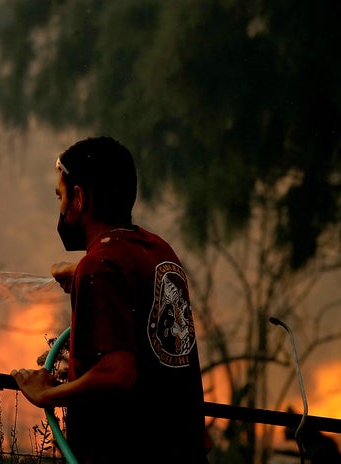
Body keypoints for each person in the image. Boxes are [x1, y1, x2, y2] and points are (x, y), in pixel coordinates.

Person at [11, 136, 209, 463]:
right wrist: (83, 275)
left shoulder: (100, 268)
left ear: (79, 198)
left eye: (61, 196)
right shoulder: (157, 250)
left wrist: (46, 393)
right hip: (183, 449)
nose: (60, 209)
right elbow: (137, 292)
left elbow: (116, 374)